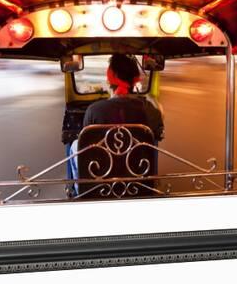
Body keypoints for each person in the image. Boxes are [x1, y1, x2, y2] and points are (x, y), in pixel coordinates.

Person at [67, 54, 164, 192]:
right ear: (134, 80)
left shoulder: (94, 110)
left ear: (109, 80)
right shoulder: (149, 110)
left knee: (76, 144)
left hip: (101, 180)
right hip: (137, 178)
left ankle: (80, 189)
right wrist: (152, 102)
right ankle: (150, 183)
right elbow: (159, 132)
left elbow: (87, 147)